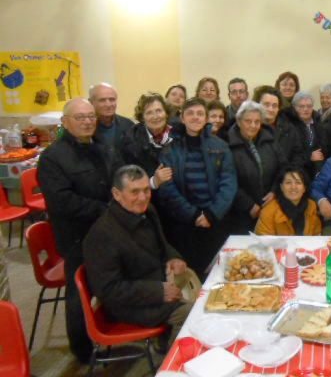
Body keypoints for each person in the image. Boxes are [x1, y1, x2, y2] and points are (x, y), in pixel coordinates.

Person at [38, 98, 121, 363]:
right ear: (65, 122)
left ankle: (111, 330)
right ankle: (82, 350)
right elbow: (62, 201)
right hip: (77, 237)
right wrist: (105, 209)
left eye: (90, 116)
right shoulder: (52, 158)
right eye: (80, 117)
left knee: (110, 282)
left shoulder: (100, 147)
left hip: (107, 231)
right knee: (80, 294)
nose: (87, 122)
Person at [83, 165, 193, 349]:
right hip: (128, 306)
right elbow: (108, 290)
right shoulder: (101, 235)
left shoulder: (147, 211)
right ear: (117, 194)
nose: (143, 198)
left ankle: (167, 344)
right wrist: (158, 291)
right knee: (194, 314)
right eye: (134, 192)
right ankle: (176, 362)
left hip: (154, 288)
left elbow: (162, 245)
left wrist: (174, 257)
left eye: (146, 190)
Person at [157, 97, 237, 280]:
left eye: (200, 113)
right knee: (191, 278)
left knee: (219, 275)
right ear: (182, 118)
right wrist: (193, 215)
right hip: (185, 226)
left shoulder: (221, 147)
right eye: (190, 113)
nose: (195, 117)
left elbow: (229, 183)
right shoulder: (169, 150)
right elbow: (167, 188)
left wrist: (211, 213)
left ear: (206, 118)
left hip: (215, 221)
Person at [227, 101, 287, 234]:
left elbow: (283, 167)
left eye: (257, 122)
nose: (253, 126)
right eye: (248, 121)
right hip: (240, 213)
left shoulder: (270, 140)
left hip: (271, 208)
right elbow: (228, 180)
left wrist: (275, 191)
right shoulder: (228, 144)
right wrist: (248, 205)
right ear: (239, 121)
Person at [121, 93, 174, 195]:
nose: (155, 117)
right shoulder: (131, 143)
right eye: (149, 113)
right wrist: (154, 182)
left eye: (159, 111)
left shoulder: (179, 135)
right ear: (142, 118)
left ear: (166, 113)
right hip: (148, 198)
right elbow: (131, 183)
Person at [255, 166, 322, 236]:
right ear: (281, 187)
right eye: (288, 182)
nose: (293, 187)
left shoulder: (311, 205)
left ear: (304, 188)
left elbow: (316, 234)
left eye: (298, 182)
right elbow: (264, 240)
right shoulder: (269, 211)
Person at [253, 85, 305, 168]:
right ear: (257, 105)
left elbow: (298, 155)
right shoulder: (249, 128)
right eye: (266, 104)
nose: (271, 109)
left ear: (279, 108)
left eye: (274, 106)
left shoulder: (288, 129)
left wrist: (290, 172)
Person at [285, 92, 325, 178]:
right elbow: (290, 152)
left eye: (309, 106)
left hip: (316, 170)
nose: (306, 109)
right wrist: (309, 156)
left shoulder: (317, 121)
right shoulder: (289, 125)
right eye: (302, 106)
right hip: (297, 171)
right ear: (295, 108)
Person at [89, 82, 134, 153]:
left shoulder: (128, 125)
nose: (108, 104)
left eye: (112, 99)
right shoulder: (85, 126)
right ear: (91, 102)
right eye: (102, 100)